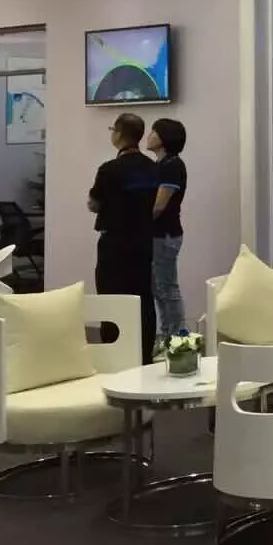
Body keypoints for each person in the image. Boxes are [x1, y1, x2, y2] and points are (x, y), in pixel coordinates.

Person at [88, 113, 159, 364]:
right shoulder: (153, 168)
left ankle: (113, 357)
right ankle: (144, 356)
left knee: (111, 299)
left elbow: (94, 204)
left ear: (118, 134)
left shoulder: (109, 169)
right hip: (143, 242)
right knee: (143, 298)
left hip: (114, 244)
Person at [146, 118, 187, 351]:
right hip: (159, 235)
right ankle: (167, 335)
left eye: (154, 131)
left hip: (165, 235)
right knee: (159, 289)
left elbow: (159, 206)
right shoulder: (161, 165)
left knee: (166, 289)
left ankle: (177, 339)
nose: (149, 135)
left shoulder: (172, 166)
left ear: (164, 138)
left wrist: (137, 223)